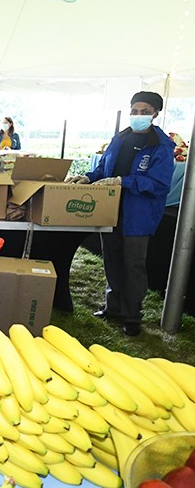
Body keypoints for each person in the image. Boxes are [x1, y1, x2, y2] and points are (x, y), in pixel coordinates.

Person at [67, 91, 174, 336]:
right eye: (134, 111)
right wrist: (88, 177)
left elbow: (158, 184)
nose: (138, 116)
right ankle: (113, 307)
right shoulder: (119, 139)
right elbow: (104, 168)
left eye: (144, 112)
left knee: (133, 264)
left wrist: (122, 181)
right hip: (110, 211)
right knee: (112, 259)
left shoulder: (161, 147)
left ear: (155, 114)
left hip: (138, 215)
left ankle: (132, 316)